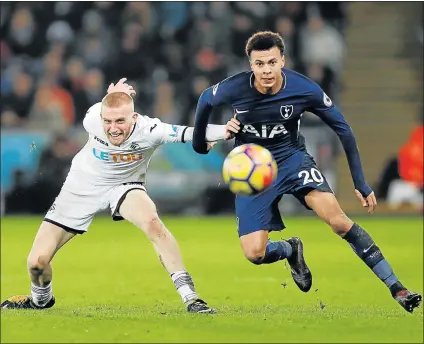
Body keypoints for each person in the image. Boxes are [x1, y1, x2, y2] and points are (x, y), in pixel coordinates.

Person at [192, 31, 422, 313]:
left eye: (272, 62)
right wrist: (199, 144)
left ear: (282, 61)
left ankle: (397, 287)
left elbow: (343, 129)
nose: (266, 70)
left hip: (292, 160)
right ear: (250, 65)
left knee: (339, 222)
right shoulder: (234, 88)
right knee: (254, 253)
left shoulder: (303, 88)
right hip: (253, 170)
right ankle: (290, 249)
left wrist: (360, 182)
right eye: (260, 64)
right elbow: (205, 100)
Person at [1, 79, 226, 313]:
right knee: (37, 264)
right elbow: (104, 112)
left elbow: (192, 132)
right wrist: (113, 96)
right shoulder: (91, 119)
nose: (113, 128)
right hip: (81, 187)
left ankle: (191, 298)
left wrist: (226, 130)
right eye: (108, 121)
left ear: (134, 118)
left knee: (152, 223)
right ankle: (41, 300)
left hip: (124, 185)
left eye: (120, 121)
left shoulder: (150, 130)